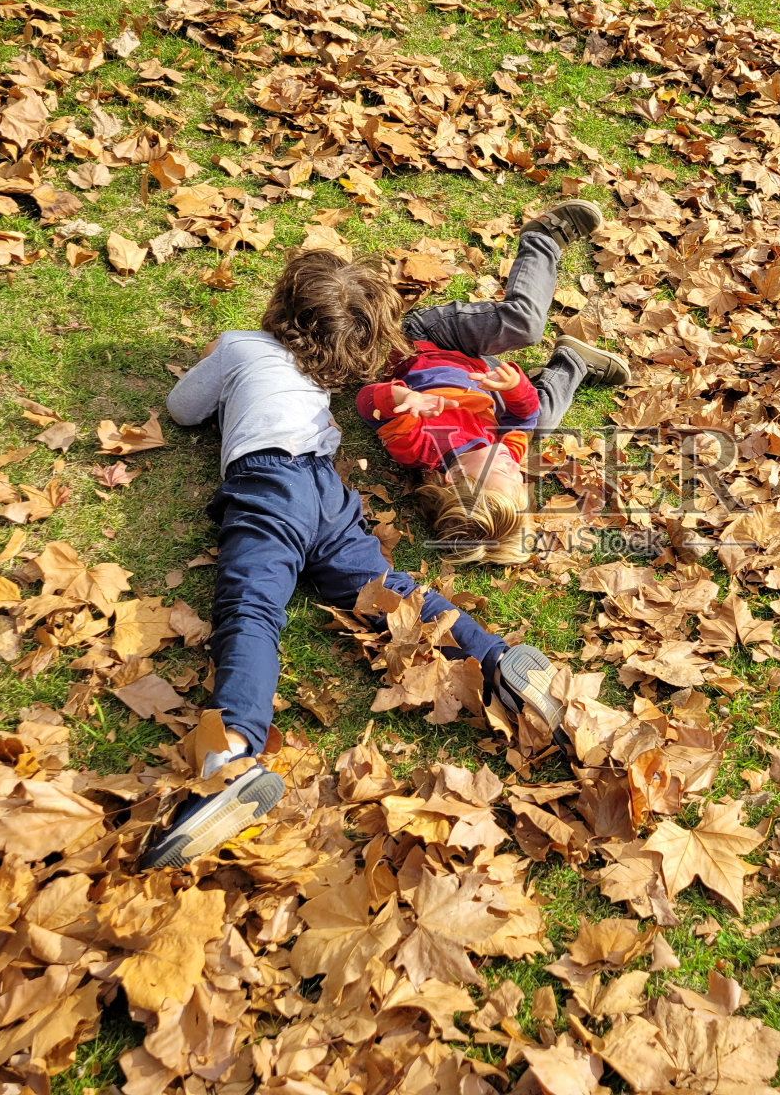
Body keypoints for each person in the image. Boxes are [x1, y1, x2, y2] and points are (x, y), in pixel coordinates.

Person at [139, 201, 616, 869]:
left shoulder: (245, 345)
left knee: (251, 609)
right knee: (390, 589)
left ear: (279, 307)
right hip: (329, 496)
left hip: (270, 485)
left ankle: (234, 755)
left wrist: (219, 360)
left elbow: (182, 409)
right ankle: (497, 659)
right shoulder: (326, 374)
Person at [357, 200, 630, 563]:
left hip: (428, 342)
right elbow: (523, 418)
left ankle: (543, 236)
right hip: (482, 372)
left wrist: (398, 398)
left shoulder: (421, 447)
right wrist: (516, 390)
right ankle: (573, 362)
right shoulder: (505, 455)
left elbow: (366, 403)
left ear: (455, 477)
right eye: (520, 481)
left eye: (503, 472)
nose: (515, 467)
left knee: (525, 326)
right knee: (542, 422)